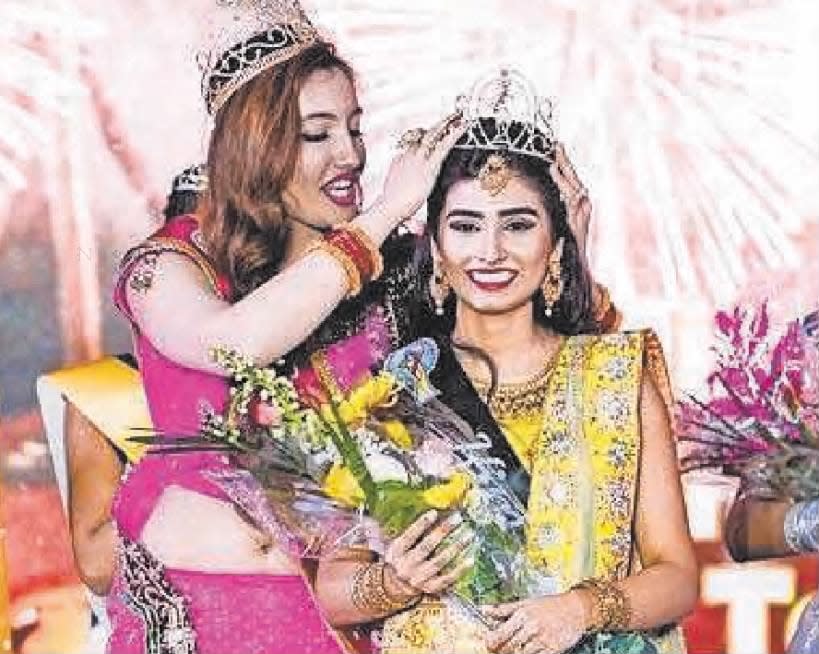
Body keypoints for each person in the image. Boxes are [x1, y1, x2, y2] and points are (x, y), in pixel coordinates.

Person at [318, 70, 698, 654]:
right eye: (466, 226)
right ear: (437, 254)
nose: (490, 251)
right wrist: (394, 582)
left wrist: (579, 608)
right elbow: (334, 589)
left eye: (518, 225)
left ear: (555, 247)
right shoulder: (393, 391)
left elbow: (676, 576)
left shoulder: (615, 378)